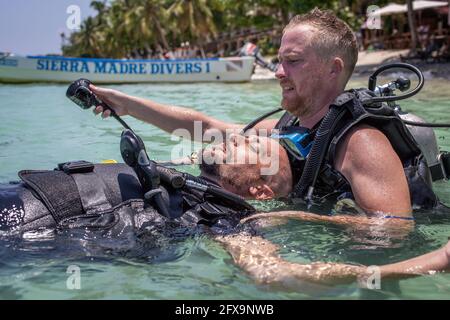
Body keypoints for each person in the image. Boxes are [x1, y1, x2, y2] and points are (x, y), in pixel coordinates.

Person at [90, 8, 440, 220]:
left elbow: (393, 228)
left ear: (333, 70)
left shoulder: (362, 143)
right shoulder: (292, 124)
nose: (278, 71)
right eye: (279, 60)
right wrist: (126, 105)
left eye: (294, 61)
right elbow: (205, 127)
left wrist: (296, 219)